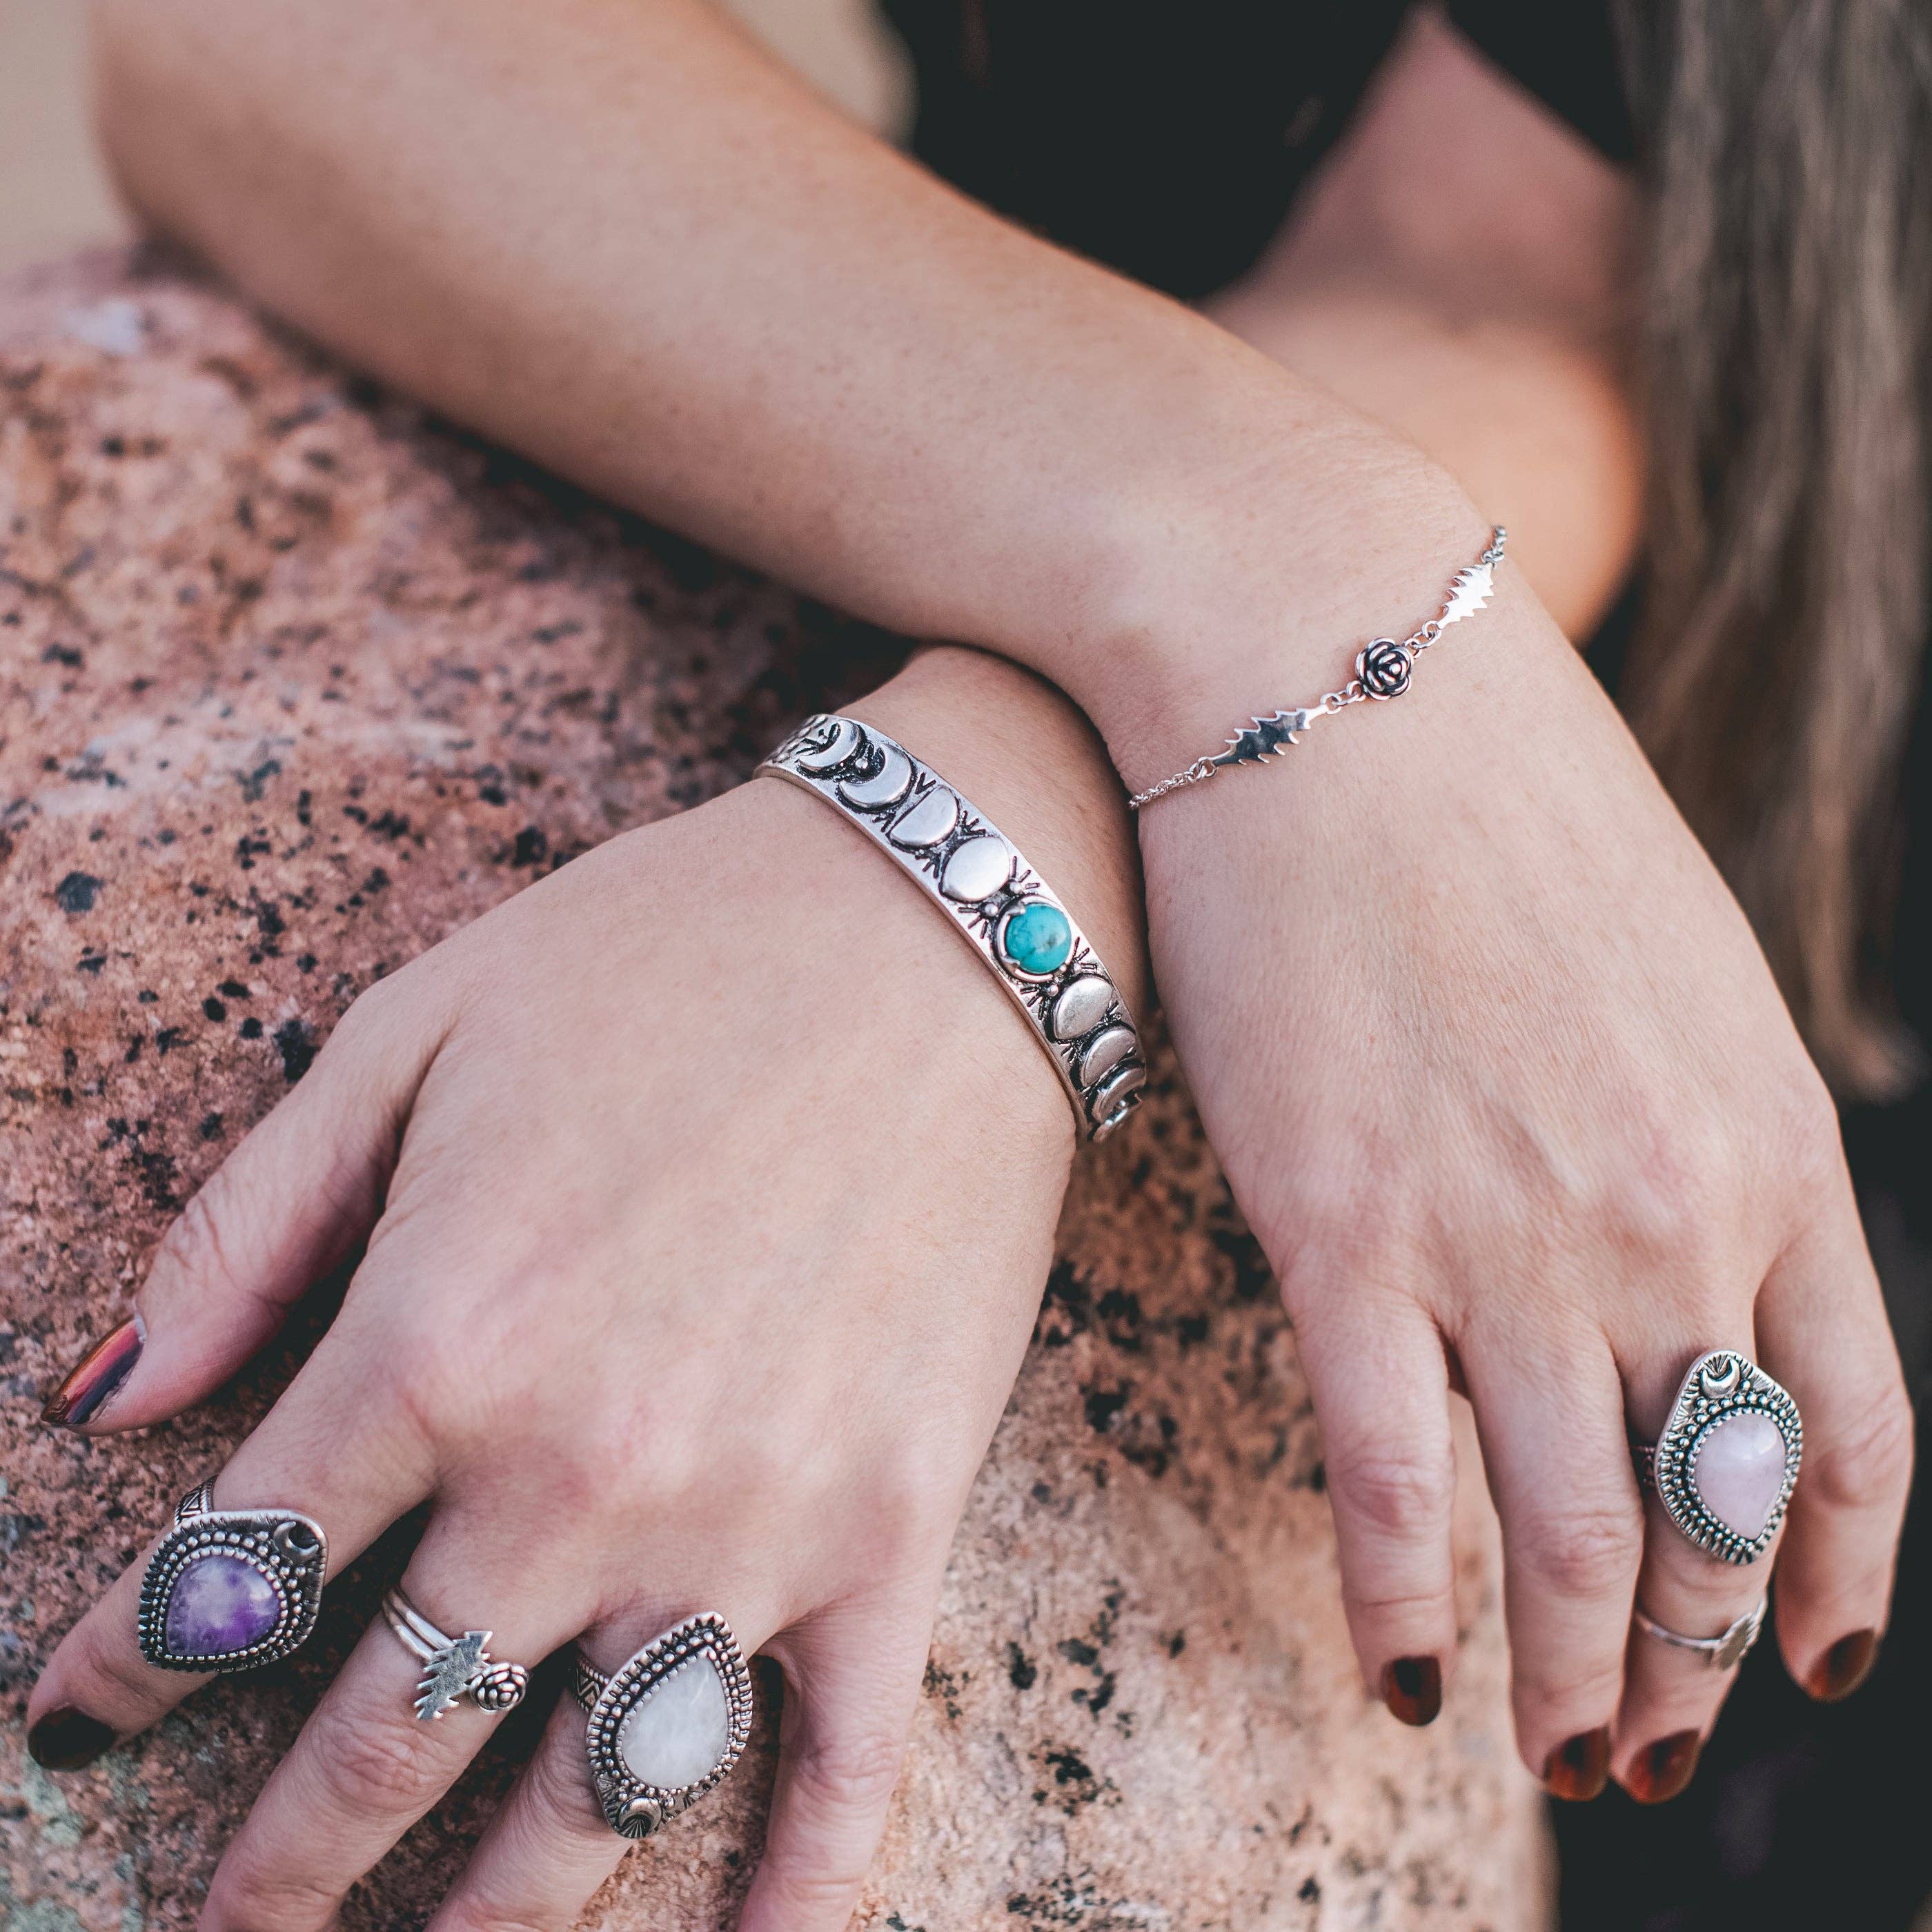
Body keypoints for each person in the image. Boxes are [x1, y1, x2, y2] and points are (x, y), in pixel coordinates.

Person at [26, 3, 1924, 1929]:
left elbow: (1553, 273)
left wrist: (1007, 828)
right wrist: (1220, 613)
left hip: (1659, 1051)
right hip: (988, 448)